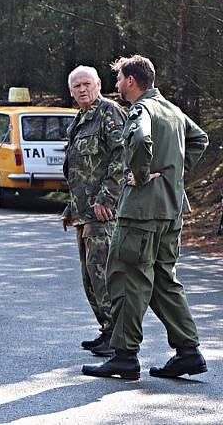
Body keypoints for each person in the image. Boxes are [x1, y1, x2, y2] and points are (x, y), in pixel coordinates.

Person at [82, 55, 208, 380]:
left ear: (131, 81)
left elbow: (140, 139)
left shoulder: (142, 110)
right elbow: (199, 139)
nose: (117, 85)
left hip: (140, 212)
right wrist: (172, 177)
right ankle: (188, 351)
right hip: (170, 210)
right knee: (163, 280)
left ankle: (124, 356)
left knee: (127, 276)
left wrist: (139, 175)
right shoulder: (174, 111)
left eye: (120, 79)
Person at [62, 65, 125, 357]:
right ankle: (107, 331)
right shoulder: (80, 120)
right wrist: (69, 208)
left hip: (101, 213)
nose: (82, 89)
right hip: (83, 213)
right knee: (90, 278)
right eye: (77, 86)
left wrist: (107, 199)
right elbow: (80, 170)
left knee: (103, 276)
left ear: (99, 84)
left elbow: (121, 158)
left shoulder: (109, 114)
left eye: (87, 83)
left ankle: (118, 338)